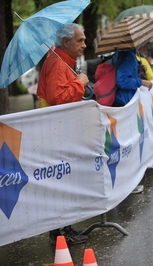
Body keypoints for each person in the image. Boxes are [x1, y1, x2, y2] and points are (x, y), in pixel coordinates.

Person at [37, 23, 90, 245]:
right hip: (55, 130)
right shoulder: (58, 63)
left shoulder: (61, 60)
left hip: (58, 129)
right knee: (62, 179)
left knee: (64, 178)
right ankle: (59, 232)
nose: (84, 45)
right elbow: (58, 98)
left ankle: (63, 229)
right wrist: (79, 83)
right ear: (66, 42)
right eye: (80, 41)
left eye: (84, 40)